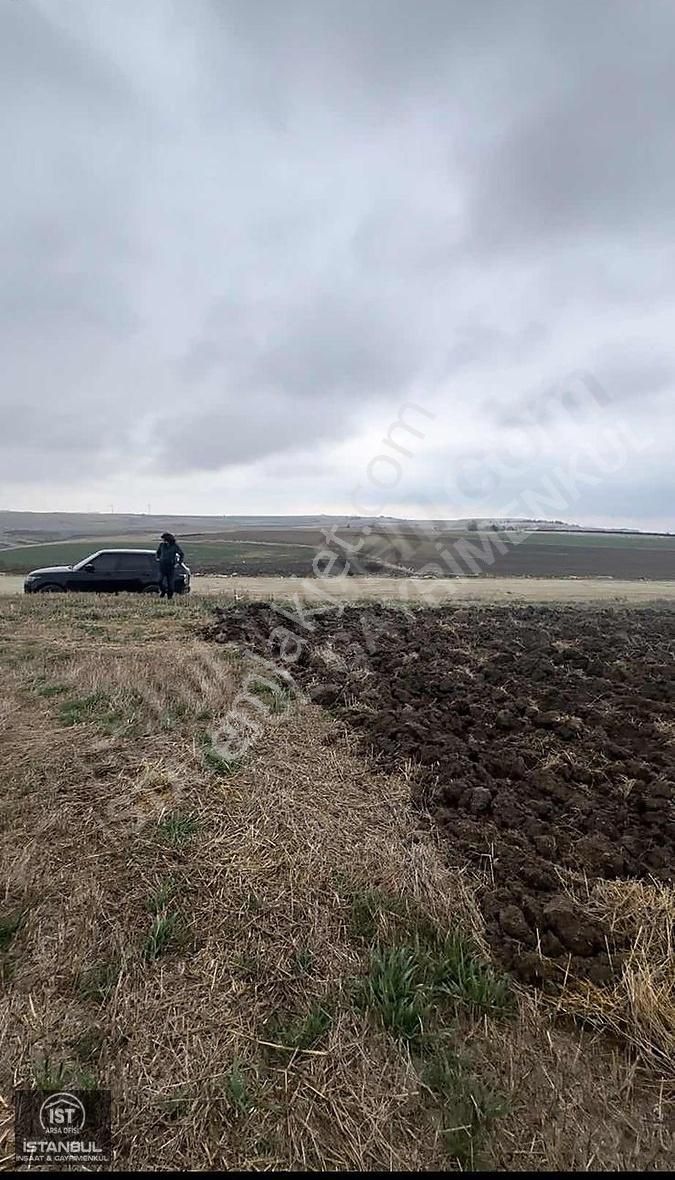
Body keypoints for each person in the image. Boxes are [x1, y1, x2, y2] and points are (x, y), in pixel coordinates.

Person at [156, 532, 184, 599]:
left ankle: (169, 597)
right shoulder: (162, 545)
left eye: (164, 539)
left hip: (171, 567)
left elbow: (181, 554)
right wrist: (158, 558)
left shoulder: (174, 546)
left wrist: (178, 563)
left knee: (170, 583)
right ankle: (163, 591)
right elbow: (158, 552)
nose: (163, 541)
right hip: (162, 566)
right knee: (159, 581)